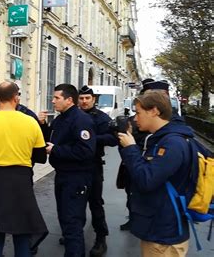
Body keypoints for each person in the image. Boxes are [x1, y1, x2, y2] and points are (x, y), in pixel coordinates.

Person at [0, 81, 47, 256]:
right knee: (22, 232)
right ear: (15, 97)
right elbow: (41, 157)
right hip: (21, 181)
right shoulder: (31, 122)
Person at [118, 90, 194, 257]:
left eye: (138, 113)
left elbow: (146, 179)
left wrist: (131, 149)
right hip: (158, 226)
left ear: (154, 111)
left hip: (164, 234)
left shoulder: (172, 143)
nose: (135, 118)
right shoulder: (161, 139)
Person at [38, 83, 96, 257]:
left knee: (72, 223)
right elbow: (52, 138)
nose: (53, 101)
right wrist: (42, 125)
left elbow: (86, 151)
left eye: (57, 98)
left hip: (76, 178)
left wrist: (56, 150)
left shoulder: (81, 120)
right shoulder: (60, 118)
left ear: (69, 100)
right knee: (64, 218)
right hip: (62, 175)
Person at [78, 85, 118, 257]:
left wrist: (92, 139)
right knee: (76, 203)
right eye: (81, 98)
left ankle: (101, 238)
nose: (84, 101)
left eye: (87, 98)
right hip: (75, 166)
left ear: (94, 99)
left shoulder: (101, 118)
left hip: (93, 165)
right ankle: (74, 234)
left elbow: (112, 139)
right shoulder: (73, 115)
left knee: (95, 202)